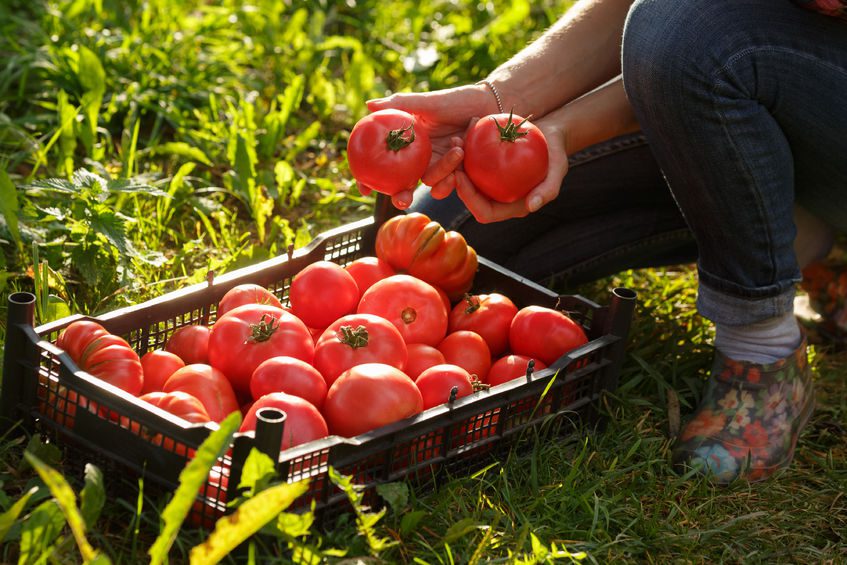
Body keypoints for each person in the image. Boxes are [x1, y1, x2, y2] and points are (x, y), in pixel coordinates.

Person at [356, 0, 847, 483]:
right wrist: (505, 102)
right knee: (452, 235)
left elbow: (682, 38)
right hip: (750, 63)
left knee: (682, 34)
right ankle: (789, 222)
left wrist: (661, 58)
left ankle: (762, 351)